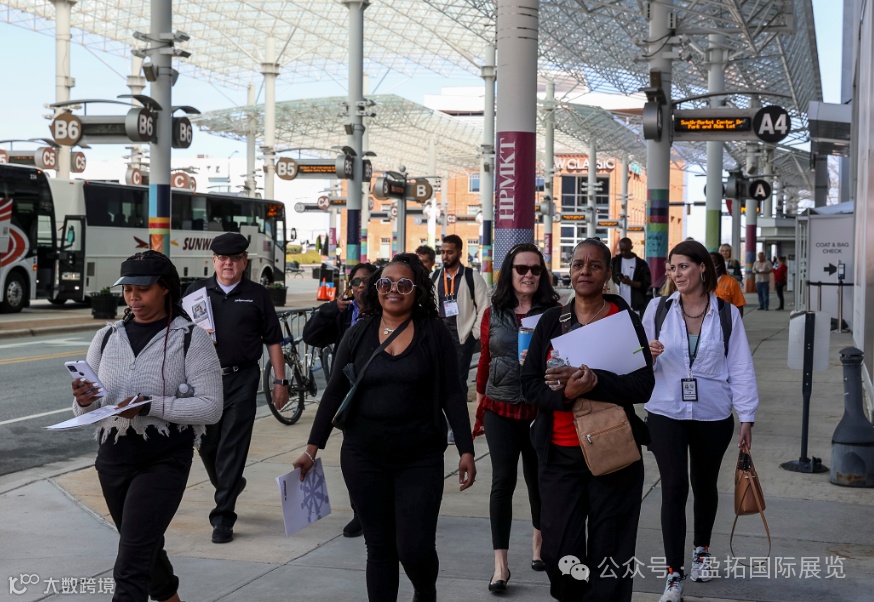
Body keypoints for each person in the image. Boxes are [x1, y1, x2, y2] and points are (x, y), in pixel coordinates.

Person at [293, 253, 476, 602]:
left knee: (415, 547)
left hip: (419, 457)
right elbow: (334, 393)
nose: (393, 290)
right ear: (376, 289)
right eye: (386, 283)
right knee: (379, 548)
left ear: (417, 291)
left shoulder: (434, 333)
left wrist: (466, 449)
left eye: (404, 284)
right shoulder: (358, 333)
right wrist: (311, 449)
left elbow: (452, 394)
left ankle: (425, 591)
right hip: (364, 456)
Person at [71, 251, 223, 602]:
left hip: (164, 460)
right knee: (141, 547)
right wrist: (83, 400)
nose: (133, 297)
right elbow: (87, 409)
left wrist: (150, 405)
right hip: (113, 459)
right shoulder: (106, 337)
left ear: (165, 288)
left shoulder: (191, 339)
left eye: (142, 289)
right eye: (127, 290)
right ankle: (169, 596)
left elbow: (211, 407)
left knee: (130, 564)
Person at [520, 238, 654, 602]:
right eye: (578, 264)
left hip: (613, 450)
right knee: (558, 552)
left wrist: (595, 381)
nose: (585, 271)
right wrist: (566, 394)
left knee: (612, 551)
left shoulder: (624, 320)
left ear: (607, 274)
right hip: (559, 453)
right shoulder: (551, 321)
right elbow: (529, 385)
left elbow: (644, 385)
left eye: (595, 265)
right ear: (570, 270)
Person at [642, 240, 759, 602]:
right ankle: (673, 575)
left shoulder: (726, 314)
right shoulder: (657, 309)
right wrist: (648, 353)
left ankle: (702, 551)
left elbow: (740, 366)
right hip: (666, 411)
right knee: (675, 486)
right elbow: (634, 357)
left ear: (702, 268)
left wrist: (747, 416)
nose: (676, 274)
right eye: (672, 268)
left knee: (705, 484)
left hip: (713, 413)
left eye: (684, 266)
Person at [185, 232, 288, 544]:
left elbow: (273, 341)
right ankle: (229, 484)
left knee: (233, 446)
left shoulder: (257, 295)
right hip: (203, 380)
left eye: (234, 258)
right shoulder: (195, 292)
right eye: (222, 258)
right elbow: (178, 335)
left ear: (244, 262)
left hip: (242, 379)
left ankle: (223, 518)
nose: (228, 263)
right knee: (206, 444)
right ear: (214, 261)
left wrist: (280, 382)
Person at [473, 243, 561, 593]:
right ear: (509, 272)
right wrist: (480, 405)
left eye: (535, 269)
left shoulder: (555, 313)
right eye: (521, 269)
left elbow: (565, 357)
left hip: (540, 408)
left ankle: (539, 543)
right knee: (502, 482)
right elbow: (485, 359)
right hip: (501, 407)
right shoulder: (493, 312)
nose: (528, 275)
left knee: (539, 480)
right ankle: (501, 565)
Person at [301, 261, 377, 538]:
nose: (361, 287)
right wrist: (330, 309)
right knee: (353, 457)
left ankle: (376, 509)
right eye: (356, 282)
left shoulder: (383, 314)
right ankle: (361, 512)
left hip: (376, 393)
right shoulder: (343, 314)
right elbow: (310, 336)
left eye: (367, 281)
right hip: (347, 394)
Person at [433, 234, 489, 402]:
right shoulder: (434, 277)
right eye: (442, 252)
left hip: (462, 337)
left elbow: (485, 308)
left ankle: (459, 415)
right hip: (438, 336)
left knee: (458, 381)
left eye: (449, 252)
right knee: (437, 379)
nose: (445, 256)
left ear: (459, 252)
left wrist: (473, 334)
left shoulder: (472, 277)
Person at [611, 237, 652, 316]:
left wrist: (630, 282)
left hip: (636, 306)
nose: (624, 252)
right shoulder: (614, 262)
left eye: (626, 250)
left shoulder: (641, 264)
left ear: (631, 248)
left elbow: (646, 284)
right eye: (622, 250)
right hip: (617, 305)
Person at [710, 252, 745, 317]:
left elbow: (739, 305)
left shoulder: (731, 282)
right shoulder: (701, 282)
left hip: (725, 320)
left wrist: (738, 322)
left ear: (720, 264)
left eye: (713, 262)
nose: (710, 265)